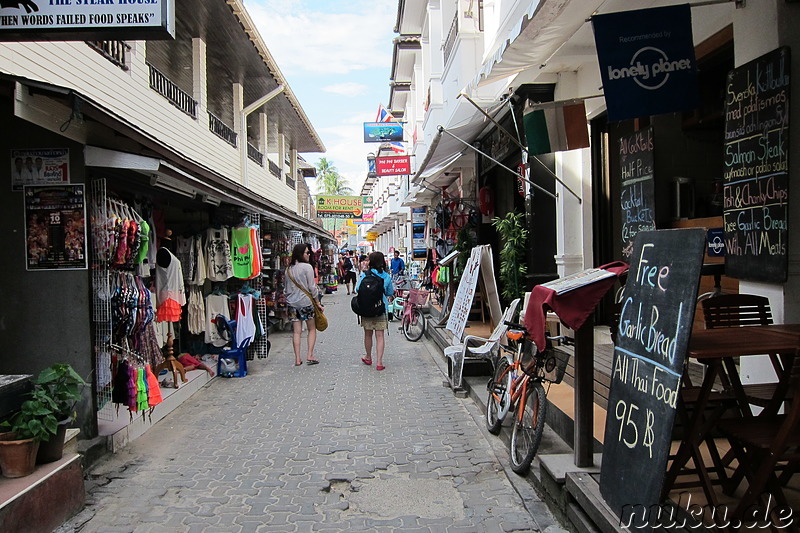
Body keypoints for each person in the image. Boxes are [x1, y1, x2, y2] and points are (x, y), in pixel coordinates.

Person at [285, 243, 322, 366]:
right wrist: (317, 302)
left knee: (297, 332)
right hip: (306, 302)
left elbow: (286, 289)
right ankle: (310, 355)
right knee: (312, 329)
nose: (309, 255)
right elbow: (312, 287)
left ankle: (297, 359)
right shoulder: (307, 267)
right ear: (301, 254)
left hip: (292, 303)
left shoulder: (288, 269)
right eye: (307, 252)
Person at [356, 251, 394, 371]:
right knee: (380, 335)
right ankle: (379, 362)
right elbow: (389, 292)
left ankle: (368, 356)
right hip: (380, 308)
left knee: (368, 334)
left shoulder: (365, 274)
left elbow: (357, 288)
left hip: (366, 308)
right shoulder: (386, 276)